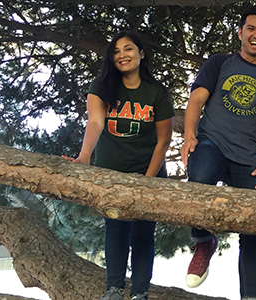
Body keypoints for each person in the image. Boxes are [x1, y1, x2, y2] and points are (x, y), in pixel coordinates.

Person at [179, 5, 256, 300]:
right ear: (240, 33)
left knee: (253, 226)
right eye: (251, 29)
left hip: (249, 155)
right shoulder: (219, 63)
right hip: (212, 142)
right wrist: (190, 136)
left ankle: (252, 296)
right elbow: (196, 100)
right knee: (199, 177)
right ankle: (203, 240)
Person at [63, 30, 174, 300]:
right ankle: (113, 289)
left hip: (149, 171)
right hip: (111, 173)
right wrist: (85, 156)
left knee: (143, 234)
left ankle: (139, 293)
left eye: (128, 49)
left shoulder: (157, 92)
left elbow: (163, 141)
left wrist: (147, 180)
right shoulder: (101, 86)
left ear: (141, 53)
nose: (122, 55)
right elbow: (96, 122)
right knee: (116, 229)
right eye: (116, 51)